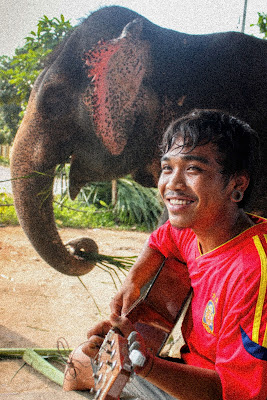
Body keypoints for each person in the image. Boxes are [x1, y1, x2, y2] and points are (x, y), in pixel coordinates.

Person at [64, 109, 267, 400]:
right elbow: (163, 239)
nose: (172, 184)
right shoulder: (196, 227)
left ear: (236, 185)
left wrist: (144, 363)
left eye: (193, 169)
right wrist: (132, 283)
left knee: (80, 367)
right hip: (193, 370)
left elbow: (239, 394)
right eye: (167, 168)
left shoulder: (255, 271)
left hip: (217, 390)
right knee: (83, 360)